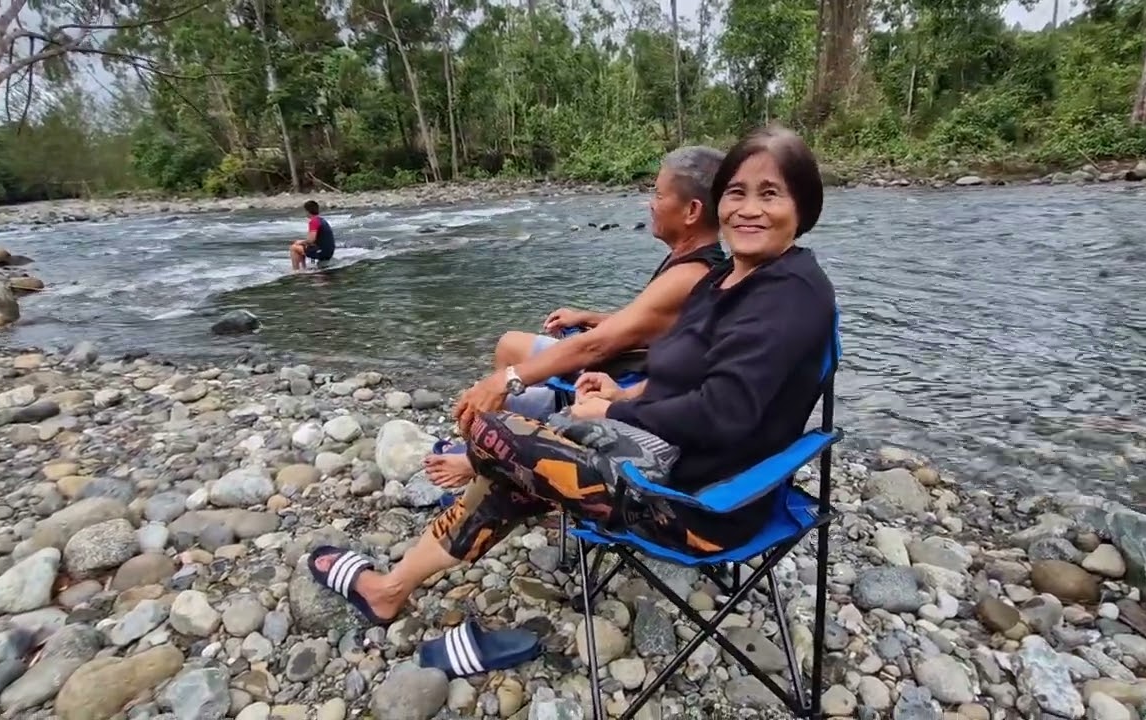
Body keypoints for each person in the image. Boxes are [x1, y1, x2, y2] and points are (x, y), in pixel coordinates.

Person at [310, 125, 836, 624]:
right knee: (517, 461)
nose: (748, 209)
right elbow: (690, 371)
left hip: (696, 507)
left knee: (492, 432)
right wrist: (624, 393)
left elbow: (721, 413)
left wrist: (612, 409)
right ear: (719, 202)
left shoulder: (790, 296)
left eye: (770, 194)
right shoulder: (728, 279)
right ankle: (390, 589)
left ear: (804, 206)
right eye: (737, 192)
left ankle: (446, 512)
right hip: (669, 463)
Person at [426, 146, 727, 487]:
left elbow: (594, 347)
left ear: (692, 210)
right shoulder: (697, 260)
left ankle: (489, 463)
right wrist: (588, 316)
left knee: (501, 381)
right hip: (628, 365)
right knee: (509, 348)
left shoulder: (688, 275)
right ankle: (500, 447)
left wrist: (508, 379)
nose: (650, 204)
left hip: (620, 378)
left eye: (658, 194)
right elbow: (648, 321)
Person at [291, 200, 336, 271]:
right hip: (329, 250)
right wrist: (303, 243)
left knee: (294, 248)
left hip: (323, 252)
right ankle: (303, 268)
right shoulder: (321, 220)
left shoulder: (313, 222)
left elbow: (311, 240)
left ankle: (295, 270)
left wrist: (300, 242)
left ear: (307, 211)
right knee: (302, 246)